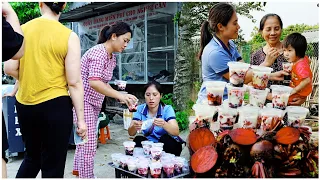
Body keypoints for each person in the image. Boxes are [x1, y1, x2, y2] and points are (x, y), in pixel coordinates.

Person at [4, 2, 87, 178]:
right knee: (53, 165)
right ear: (64, 6)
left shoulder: (23, 29)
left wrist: (31, 74)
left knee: (31, 158)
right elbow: (73, 82)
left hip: (25, 104)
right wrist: (81, 120)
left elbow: (9, 68)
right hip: (55, 106)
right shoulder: (69, 36)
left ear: (41, 4)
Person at [72, 21, 138, 178]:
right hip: (83, 101)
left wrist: (120, 96)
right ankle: (87, 176)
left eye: (128, 42)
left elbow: (104, 83)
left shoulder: (112, 58)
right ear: (114, 36)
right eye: (125, 40)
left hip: (95, 103)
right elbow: (94, 81)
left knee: (83, 141)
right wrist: (119, 95)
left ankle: (78, 173)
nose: (126, 45)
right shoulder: (98, 52)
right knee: (89, 145)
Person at [196, 3, 286, 103]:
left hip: (229, 101)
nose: (238, 27)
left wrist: (270, 75)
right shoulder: (214, 53)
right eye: (235, 23)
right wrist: (266, 63)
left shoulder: (230, 44)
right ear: (221, 26)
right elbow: (239, 79)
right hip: (212, 104)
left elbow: (245, 69)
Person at [250, 13, 307, 105]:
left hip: (289, 104)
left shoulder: (293, 52)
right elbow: (250, 82)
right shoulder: (256, 55)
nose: (272, 33)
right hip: (263, 105)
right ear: (261, 32)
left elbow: (305, 77)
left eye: (276, 28)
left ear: (281, 29)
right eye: (268, 29)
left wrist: (303, 97)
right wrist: (268, 95)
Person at [128, 81, 184, 156]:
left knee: (165, 139)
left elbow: (176, 132)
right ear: (144, 96)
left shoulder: (167, 109)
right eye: (148, 95)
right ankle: (143, 164)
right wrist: (135, 126)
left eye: (155, 95)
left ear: (160, 96)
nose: (151, 98)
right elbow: (131, 133)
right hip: (150, 145)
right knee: (138, 140)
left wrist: (164, 124)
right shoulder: (139, 109)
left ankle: (168, 165)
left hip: (166, 145)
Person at [2, 2, 24, 178]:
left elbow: (10, 69)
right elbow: (18, 50)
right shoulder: (68, 36)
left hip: (26, 99)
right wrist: (10, 13)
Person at [282, 33, 312, 103]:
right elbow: (309, 61)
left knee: (280, 98)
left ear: (299, 51)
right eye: (284, 50)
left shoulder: (300, 65)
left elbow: (307, 80)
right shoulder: (302, 59)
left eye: (289, 50)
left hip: (298, 93)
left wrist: (295, 90)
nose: (286, 54)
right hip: (298, 91)